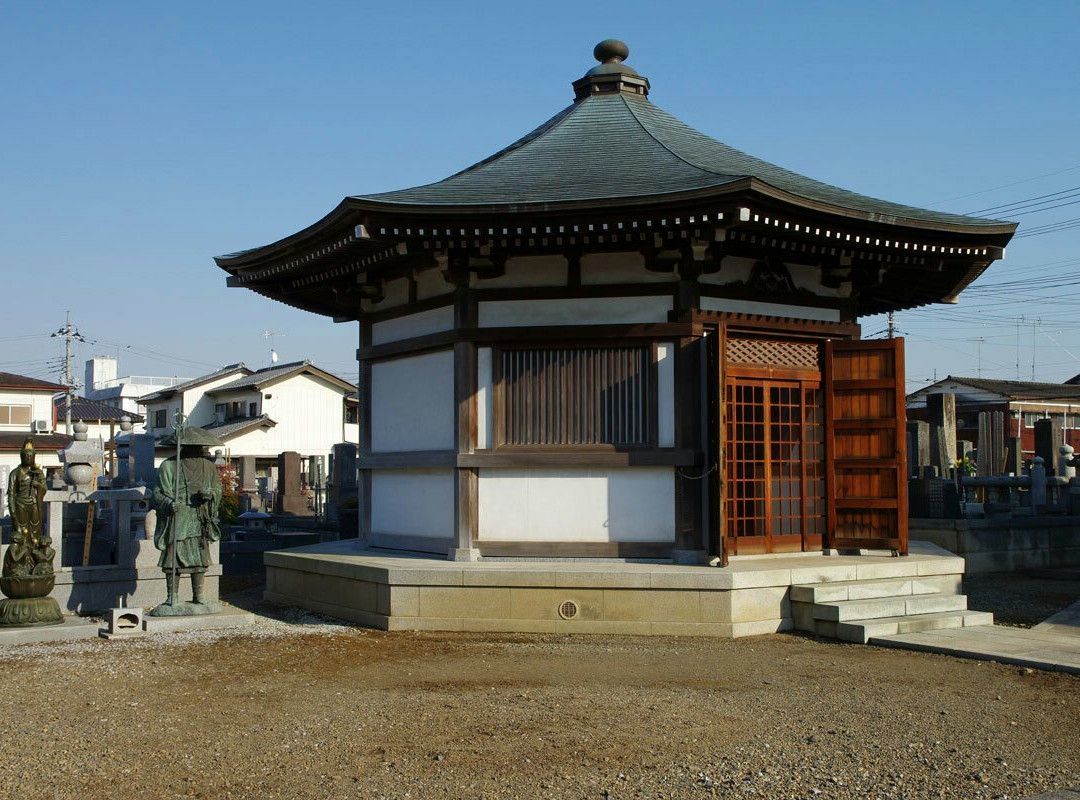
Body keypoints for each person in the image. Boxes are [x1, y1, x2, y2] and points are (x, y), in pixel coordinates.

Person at [151, 427, 223, 608]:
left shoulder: (208, 467)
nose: (197, 449)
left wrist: (210, 495)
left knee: (199, 558)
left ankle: (199, 595)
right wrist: (168, 503)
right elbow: (158, 492)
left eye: (199, 446)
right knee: (172, 558)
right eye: (192, 446)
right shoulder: (169, 465)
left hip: (198, 515)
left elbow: (217, 489)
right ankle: (172, 596)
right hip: (178, 515)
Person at [3, 437, 52, 578]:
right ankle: (21, 563)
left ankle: (36, 561)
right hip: (20, 505)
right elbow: (11, 494)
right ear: (22, 457)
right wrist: (13, 515)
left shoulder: (38, 473)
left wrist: (39, 486)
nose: (29, 458)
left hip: (34, 505)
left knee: (35, 533)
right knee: (22, 533)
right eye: (26, 456)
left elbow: (44, 488)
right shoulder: (16, 473)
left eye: (31, 456)